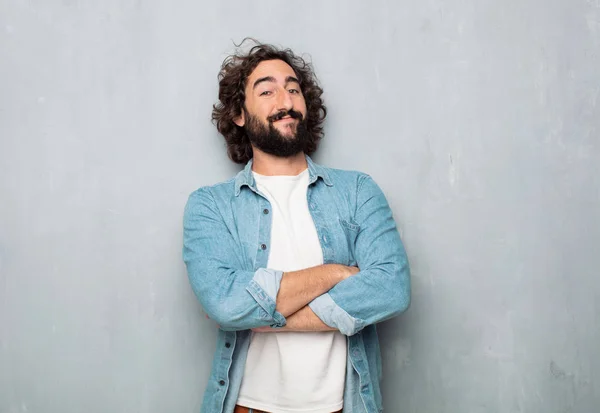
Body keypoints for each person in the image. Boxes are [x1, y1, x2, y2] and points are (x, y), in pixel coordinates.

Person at [183, 40, 411, 413]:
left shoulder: (357, 191)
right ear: (239, 114)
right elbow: (224, 302)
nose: (285, 101)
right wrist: (335, 273)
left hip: (344, 406)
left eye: (293, 89)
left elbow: (391, 287)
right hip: (250, 408)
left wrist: (263, 316)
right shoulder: (210, 206)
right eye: (267, 90)